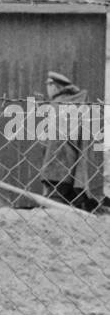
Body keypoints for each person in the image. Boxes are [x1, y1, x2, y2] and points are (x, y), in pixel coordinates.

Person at [39, 74, 106, 212]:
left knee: (53, 203)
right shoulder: (76, 102)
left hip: (56, 162)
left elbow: (50, 135)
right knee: (65, 201)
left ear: (55, 86)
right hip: (71, 162)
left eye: (49, 85)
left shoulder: (59, 104)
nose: (47, 89)